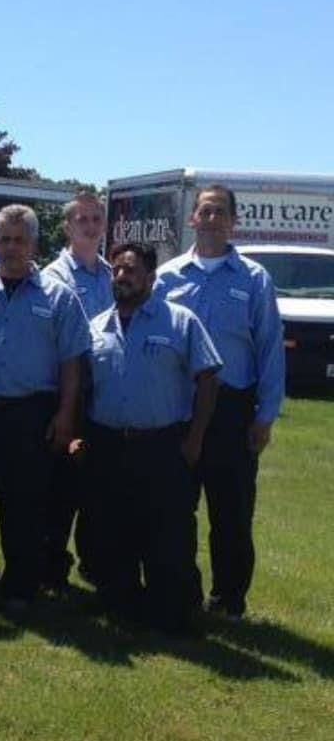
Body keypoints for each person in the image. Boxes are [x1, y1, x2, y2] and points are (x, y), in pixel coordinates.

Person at [153, 183, 285, 617]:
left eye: (219, 212)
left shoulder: (254, 278)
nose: (210, 219)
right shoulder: (168, 276)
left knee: (231, 513)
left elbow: (268, 349)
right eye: (204, 211)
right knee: (173, 507)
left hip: (232, 411)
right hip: (181, 409)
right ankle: (178, 592)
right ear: (192, 218)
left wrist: (264, 417)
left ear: (233, 221)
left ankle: (228, 600)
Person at [0, 205, 90, 614]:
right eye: (4, 239)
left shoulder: (60, 297)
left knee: (24, 506)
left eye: (20, 240)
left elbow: (72, 364)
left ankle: (19, 589)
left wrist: (66, 415)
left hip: (31, 415)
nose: (11, 248)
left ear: (34, 244)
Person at [82, 243, 221, 633]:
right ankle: (120, 604)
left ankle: (170, 612)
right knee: (113, 529)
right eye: (117, 271)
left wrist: (195, 439)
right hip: (109, 444)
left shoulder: (180, 321)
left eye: (131, 270)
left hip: (161, 444)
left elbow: (208, 380)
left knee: (167, 533)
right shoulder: (96, 327)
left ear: (150, 277)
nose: (122, 277)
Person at [41, 192, 114, 589]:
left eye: (96, 219)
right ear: (67, 227)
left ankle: (95, 562)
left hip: (106, 395)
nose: (89, 225)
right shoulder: (54, 278)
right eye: (81, 219)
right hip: (68, 392)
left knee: (99, 485)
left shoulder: (111, 275)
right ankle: (52, 564)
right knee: (62, 485)